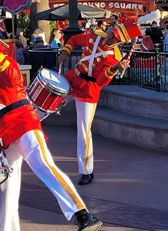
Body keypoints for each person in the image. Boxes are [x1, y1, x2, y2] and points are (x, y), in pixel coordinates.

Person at [0, 35, 102, 231]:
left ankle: (82, 215)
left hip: (23, 124)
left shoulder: (2, 65)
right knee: (4, 189)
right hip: (3, 139)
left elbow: (13, 76)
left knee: (44, 165)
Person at [57, 20, 136, 186]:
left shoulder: (114, 57)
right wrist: (66, 51)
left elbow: (101, 80)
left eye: (114, 36)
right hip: (72, 78)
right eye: (112, 32)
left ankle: (87, 171)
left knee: (83, 130)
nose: (110, 35)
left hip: (89, 89)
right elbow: (74, 40)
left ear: (119, 42)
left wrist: (114, 68)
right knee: (47, 100)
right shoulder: (94, 37)